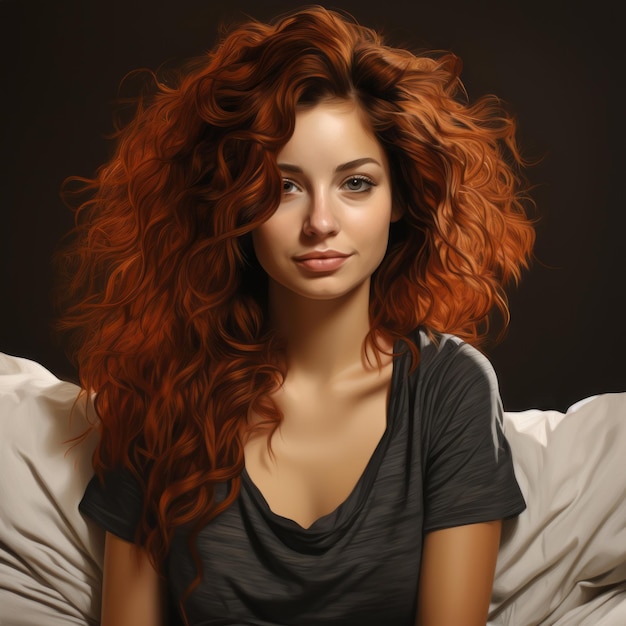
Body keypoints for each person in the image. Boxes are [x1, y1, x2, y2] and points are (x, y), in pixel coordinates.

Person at [57, 5, 535, 625]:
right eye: (283, 186)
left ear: (400, 198)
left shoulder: (450, 390)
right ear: (236, 204)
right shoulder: (167, 390)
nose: (320, 222)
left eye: (355, 183)